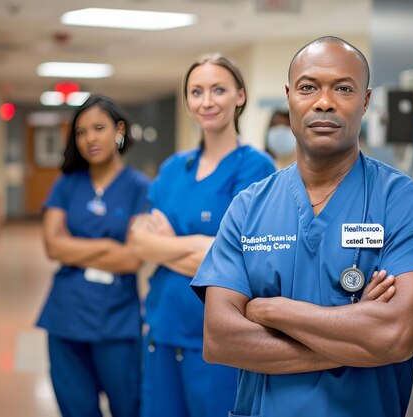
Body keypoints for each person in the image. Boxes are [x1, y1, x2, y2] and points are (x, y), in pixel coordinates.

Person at [191, 36, 413, 417]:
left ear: (365, 101)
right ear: (289, 97)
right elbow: (220, 339)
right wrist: (356, 338)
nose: (324, 101)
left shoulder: (402, 202)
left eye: (343, 88)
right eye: (308, 87)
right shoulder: (249, 206)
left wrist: (272, 311)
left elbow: (394, 335)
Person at [128, 53, 276, 417]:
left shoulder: (256, 168)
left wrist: (161, 247)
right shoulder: (175, 167)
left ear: (240, 96)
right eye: (196, 91)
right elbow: (137, 239)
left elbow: (240, 260)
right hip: (162, 328)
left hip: (217, 337)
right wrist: (202, 248)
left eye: (218, 90)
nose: (207, 101)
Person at [38, 94, 150, 417]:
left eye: (98, 128)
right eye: (81, 132)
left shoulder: (140, 188)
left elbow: (132, 259)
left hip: (117, 319)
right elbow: (52, 246)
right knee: (76, 408)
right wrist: (106, 248)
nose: (89, 139)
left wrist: (76, 247)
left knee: (128, 406)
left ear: (118, 130)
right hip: (66, 316)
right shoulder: (66, 185)